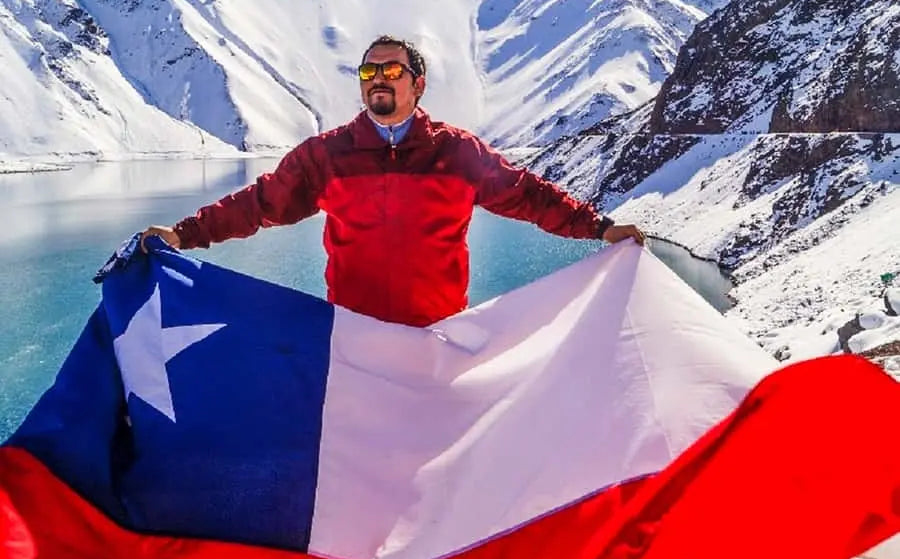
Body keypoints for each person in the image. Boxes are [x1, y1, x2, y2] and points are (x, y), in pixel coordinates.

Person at [141, 35, 645, 327]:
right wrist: (183, 234)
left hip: (439, 335)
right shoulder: (328, 156)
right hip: (354, 338)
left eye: (391, 69)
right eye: (367, 71)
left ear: (417, 83)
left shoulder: (455, 152)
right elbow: (261, 203)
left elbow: (527, 195)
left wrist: (600, 228)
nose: (377, 78)